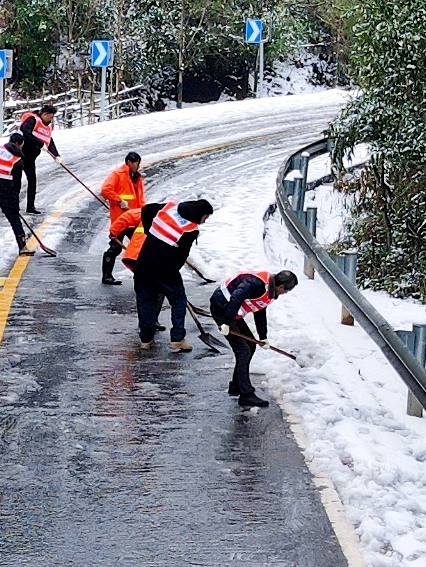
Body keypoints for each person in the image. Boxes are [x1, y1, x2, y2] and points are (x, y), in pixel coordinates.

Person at [132, 198, 213, 352]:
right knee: (178, 301)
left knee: (147, 301)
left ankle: (146, 339)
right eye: (205, 217)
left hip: (144, 263)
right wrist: (173, 268)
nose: (204, 221)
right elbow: (182, 255)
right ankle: (177, 339)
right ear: (199, 214)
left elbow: (146, 210)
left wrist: (151, 232)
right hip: (165, 269)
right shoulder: (190, 229)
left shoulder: (169, 208)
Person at [211, 270, 298, 409]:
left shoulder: (269, 289)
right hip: (222, 307)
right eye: (286, 291)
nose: (285, 293)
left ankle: (236, 385)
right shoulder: (256, 284)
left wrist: (263, 336)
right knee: (243, 351)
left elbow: (260, 310)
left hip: (232, 312)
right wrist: (226, 322)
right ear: (281, 287)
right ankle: (246, 395)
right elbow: (236, 297)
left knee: (250, 345)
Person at [98, 152, 145, 286]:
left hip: (135, 218)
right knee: (115, 248)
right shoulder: (118, 174)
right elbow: (105, 190)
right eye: (137, 163)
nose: (138, 166)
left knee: (139, 247)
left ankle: (141, 275)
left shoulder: (137, 177)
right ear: (129, 162)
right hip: (121, 219)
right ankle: (106, 276)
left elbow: (140, 198)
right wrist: (119, 200)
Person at [0, 133, 32, 253]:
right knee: (14, 219)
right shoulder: (17, 160)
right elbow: (17, 184)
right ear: (17, 144)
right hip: (6, 192)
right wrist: (15, 201)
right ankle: (22, 247)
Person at [12, 102, 59, 214]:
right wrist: (39, 144)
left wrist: (56, 155)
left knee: (32, 181)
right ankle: (13, 206)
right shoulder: (32, 120)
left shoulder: (47, 127)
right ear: (43, 114)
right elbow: (26, 134)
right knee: (16, 183)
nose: (50, 119)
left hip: (30, 159)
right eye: (49, 116)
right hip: (19, 156)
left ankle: (30, 206)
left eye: (52, 117)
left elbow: (49, 141)